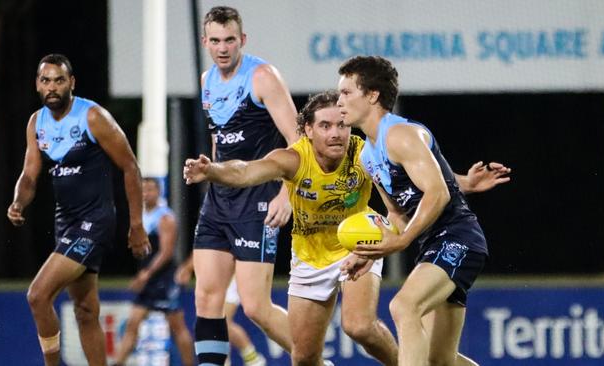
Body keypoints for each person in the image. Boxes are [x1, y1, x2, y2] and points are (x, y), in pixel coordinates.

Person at [184, 90, 511, 365]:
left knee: (359, 326)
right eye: (324, 125)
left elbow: (420, 172)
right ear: (308, 131)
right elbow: (245, 171)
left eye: (341, 125)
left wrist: (465, 181)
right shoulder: (294, 159)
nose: (335, 133)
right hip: (309, 257)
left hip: (361, 244)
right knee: (304, 359)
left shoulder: (363, 153)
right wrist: (212, 170)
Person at [337, 55, 494, 366]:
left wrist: (403, 241)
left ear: (372, 95)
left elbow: (438, 193)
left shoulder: (400, 135)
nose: (339, 101)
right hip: (433, 246)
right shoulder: (368, 155)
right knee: (440, 360)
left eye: (346, 92)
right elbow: (396, 215)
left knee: (403, 307)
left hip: (458, 238)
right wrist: (370, 251)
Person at [6, 54, 151, 366]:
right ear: (37, 85)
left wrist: (136, 225)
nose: (52, 87)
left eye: (59, 80)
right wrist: (19, 202)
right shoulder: (37, 123)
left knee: (38, 295)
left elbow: (130, 167)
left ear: (71, 82)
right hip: (66, 223)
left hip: (95, 222)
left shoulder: (93, 117)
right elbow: (30, 175)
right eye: (46, 81)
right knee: (86, 311)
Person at [189, 6, 300, 366]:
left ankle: (313, 360)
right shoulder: (207, 80)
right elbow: (219, 143)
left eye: (230, 40)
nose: (223, 48)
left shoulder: (263, 77)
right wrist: (209, 170)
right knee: (207, 299)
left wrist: (288, 193)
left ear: (243, 40)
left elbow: (298, 140)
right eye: (216, 40)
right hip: (218, 202)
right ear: (205, 42)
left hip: (260, 199)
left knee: (255, 307)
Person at [112, 178, 193, 366]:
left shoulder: (165, 218)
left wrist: (146, 274)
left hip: (164, 279)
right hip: (147, 279)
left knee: (177, 327)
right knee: (133, 323)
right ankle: (118, 363)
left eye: (150, 189)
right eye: (143, 190)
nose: (146, 193)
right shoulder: (140, 216)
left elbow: (166, 252)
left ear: (159, 192)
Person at [175, 255, 267, 366]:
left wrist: (187, 267)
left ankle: (253, 359)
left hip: (234, 270)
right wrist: (188, 268)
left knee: (221, 322)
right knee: (214, 324)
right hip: (219, 274)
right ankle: (239, 360)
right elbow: (204, 244)